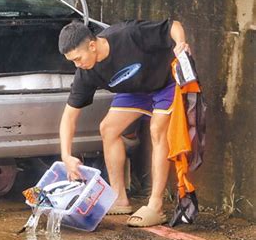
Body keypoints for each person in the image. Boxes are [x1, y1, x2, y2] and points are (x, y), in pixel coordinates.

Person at [58, 19, 190, 227]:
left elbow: (173, 25)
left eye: (78, 58)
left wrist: (180, 44)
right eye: (72, 61)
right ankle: (119, 198)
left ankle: (155, 205)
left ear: (92, 45)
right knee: (108, 128)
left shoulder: (129, 34)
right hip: (134, 90)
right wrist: (66, 155)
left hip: (166, 82)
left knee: (157, 129)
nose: (77, 65)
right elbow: (69, 116)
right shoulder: (86, 72)